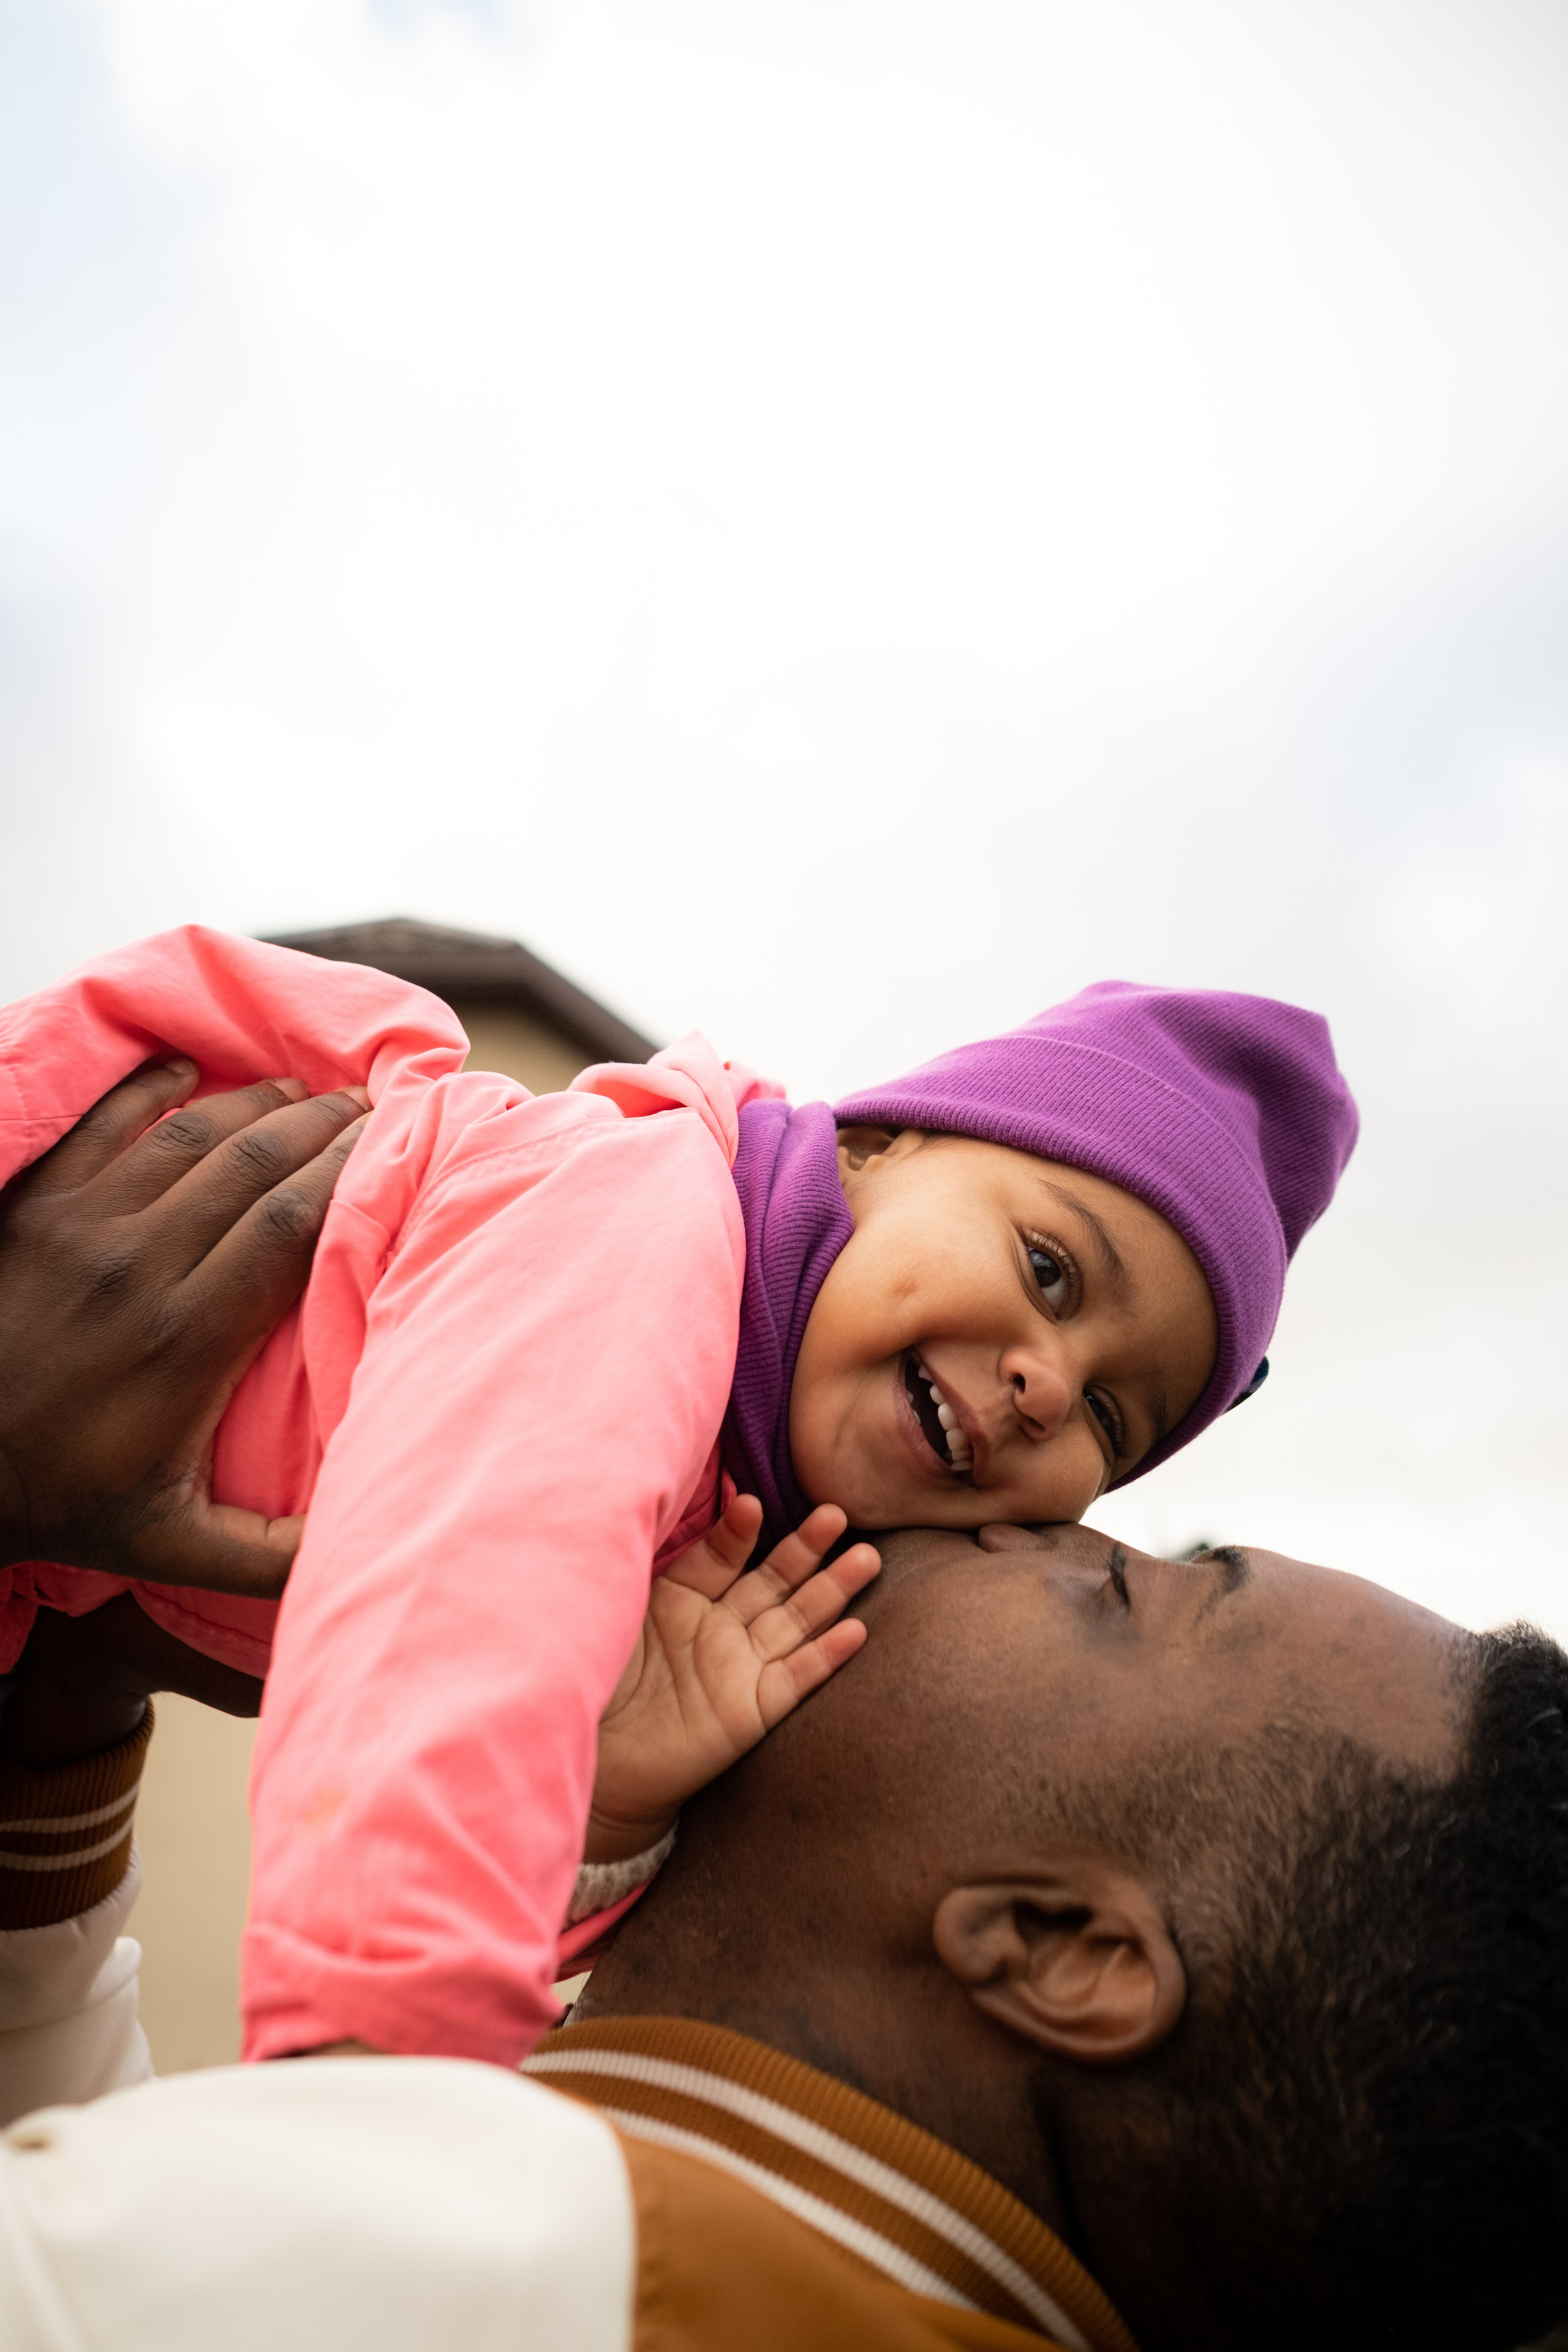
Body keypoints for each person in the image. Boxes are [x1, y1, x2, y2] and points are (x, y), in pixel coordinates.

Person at [0, 927, 1357, 2068]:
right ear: (877, 1146)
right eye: (1051, 1273)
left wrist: (607, 1820)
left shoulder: (728, 1519)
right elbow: (462, 1620)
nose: (1048, 1385)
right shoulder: (647, 1225)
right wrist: (382, 2056)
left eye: (1113, 1418)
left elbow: (514, 1778)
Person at [1, 1519, 1563, 2351]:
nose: (1036, 1512)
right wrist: (51, 1729)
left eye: (1120, 1585)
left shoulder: (513, 2260)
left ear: (1054, 1948)